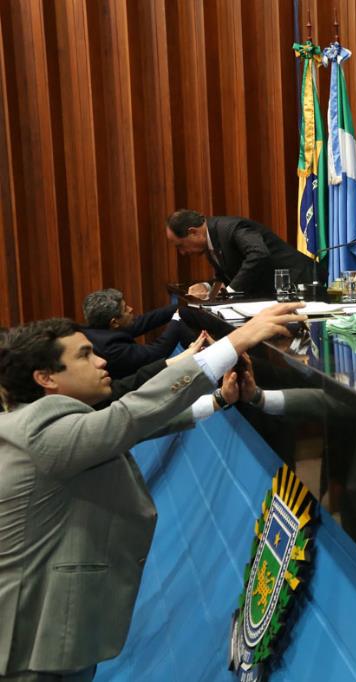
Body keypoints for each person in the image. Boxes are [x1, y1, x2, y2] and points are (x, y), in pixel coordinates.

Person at [0, 302, 305, 680]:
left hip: (48, 635)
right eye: (84, 355)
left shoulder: (39, 421)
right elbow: (128, 418)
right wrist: (239, 338)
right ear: (46, 378)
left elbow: (125, 428)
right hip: (27, 646)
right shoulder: (40, 433)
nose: (101, 361)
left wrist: (218, 401)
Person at [164, 209, 326, 297]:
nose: (182, 253)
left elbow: (259, 254)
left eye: (180, 246)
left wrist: (230, 293)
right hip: (279, 291)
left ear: (193, 232)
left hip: (301, 283)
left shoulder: (231, 228)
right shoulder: (210, 240)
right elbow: (229, 274)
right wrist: (207, 286)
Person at [81, 288, 189, 380]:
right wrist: (176, 320)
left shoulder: (97, 330)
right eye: (125, 309)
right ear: (114, 322)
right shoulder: (111, 348)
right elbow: (156, 352)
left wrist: (173, 310)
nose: (131, 309)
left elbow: (141, 323)